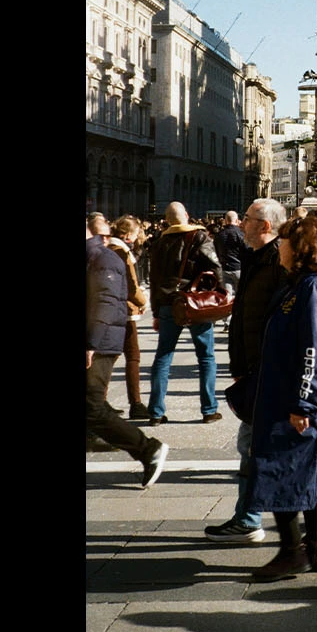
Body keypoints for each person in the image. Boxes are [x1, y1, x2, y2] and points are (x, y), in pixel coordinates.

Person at [248, 215, 317, 582]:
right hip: (293, 393)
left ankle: (293, 551)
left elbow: (316, 351)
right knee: (310, 473)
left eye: (285, 241)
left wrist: (303, 403)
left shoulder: (314, 288)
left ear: (301, 246)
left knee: (284, 470)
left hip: (298, 399)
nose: (279, 248)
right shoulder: (303, 285)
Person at [204, 199, 288, 544]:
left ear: (265, 226)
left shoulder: (280, 263)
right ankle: (314, 504)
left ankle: (252, 517)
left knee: (257, 447)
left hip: (268, 371)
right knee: (265, 447)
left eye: (249, 220)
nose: (242, 225)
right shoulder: (256, 259)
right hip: (255, 369)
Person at [86, 222, 168, 488]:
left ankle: (148, 448)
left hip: (100, 342)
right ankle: (95, 439)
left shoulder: (103, 258)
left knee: (92, 405)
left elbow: (106, 303)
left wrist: (91, 344)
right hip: (96, 338)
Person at [146, 202, 223, 424]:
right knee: (206, 356)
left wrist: (157, 311)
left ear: (167, 220)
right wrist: (218, 294)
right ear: (187, 216)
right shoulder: (199, 237)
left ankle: (156, 412)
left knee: (163, 356)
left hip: (169, 304)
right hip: (194, 303)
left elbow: (154, 279)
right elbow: (215, 266)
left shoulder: (160, 242)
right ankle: (209, 410)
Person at [108, 215, 150, 419]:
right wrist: (143, 302)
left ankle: (101, 403)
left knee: (107, 357)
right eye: (134, 234)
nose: (135, 239)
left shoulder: (106, 248)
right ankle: (136, 403)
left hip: (108, 309)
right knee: (132, 356)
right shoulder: (122, 253)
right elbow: (132, 287)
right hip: (125, 311)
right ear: (126, 235)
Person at [214, 210, 248, 297]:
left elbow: (216, 250)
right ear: (237, 220)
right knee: (241, 296)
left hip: (224, 268)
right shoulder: (241, 234)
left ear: (225, 221)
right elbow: (247, 250)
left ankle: (229, 310)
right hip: (239, 268)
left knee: (227, 297)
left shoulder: (219, 235)